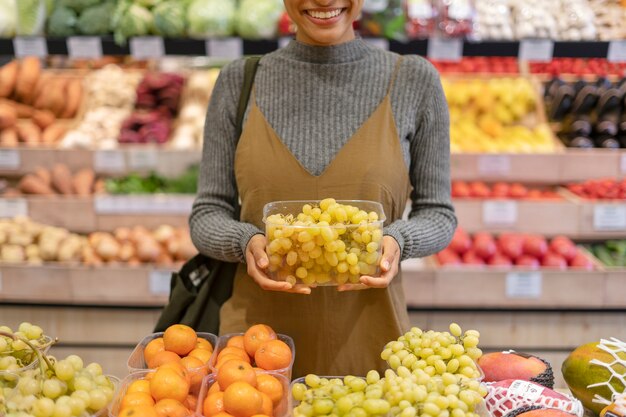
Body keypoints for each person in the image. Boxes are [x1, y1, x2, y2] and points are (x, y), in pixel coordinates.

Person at [189, 0, 456, 377]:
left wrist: (397, 240)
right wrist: (244, 241)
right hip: (255, 354)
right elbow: (207, 214)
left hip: (372, 344)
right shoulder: (240, 80)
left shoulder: (413, 80)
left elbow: (439, 215)